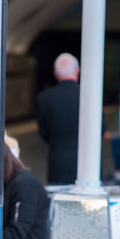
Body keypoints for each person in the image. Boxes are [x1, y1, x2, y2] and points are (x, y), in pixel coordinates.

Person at [36, 53, 81, 184]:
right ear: (77, 71)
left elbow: (44, 133)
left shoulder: (44, 98)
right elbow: (101, 129)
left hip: (58, 162)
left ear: (55, 73)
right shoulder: (90, 96)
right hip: (88, 162)